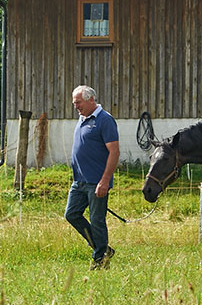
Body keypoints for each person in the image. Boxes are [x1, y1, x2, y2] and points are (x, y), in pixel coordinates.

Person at [66, 85, 119, 270]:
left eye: (78, 102)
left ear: (90, 100)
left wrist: (105, 181)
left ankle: (100, 260)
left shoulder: (105, 120)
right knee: (71, 214)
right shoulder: (82, 118)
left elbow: (114, 152)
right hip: (79, 181)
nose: (76, 106)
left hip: (96, 182)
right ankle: (102, 248)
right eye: (74, 103)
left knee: (97, 221)